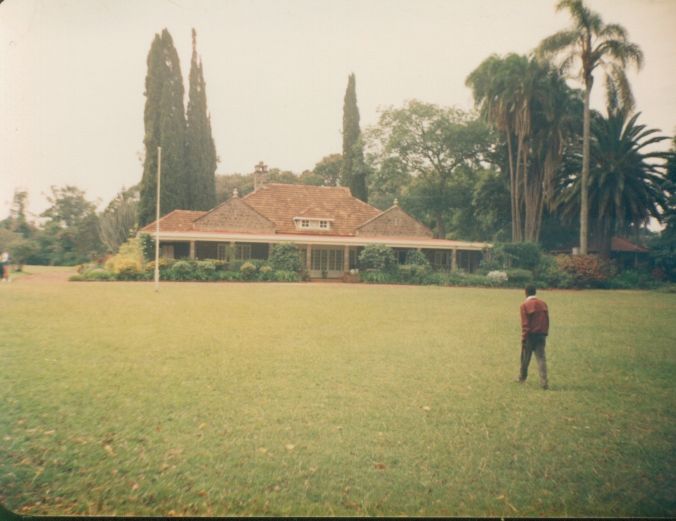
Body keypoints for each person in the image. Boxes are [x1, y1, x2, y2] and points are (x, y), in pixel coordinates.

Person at [517, 284, 549, 389]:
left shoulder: (524, 305)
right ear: (535, 292)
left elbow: (525, 324)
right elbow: (547, 320)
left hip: (530, 335)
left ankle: (522, 378)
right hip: (541, 335)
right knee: (541, 358)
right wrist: (545, 333)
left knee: (525, 358)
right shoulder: (543, 304)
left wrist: (523, 338)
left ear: (525, 292)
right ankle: (544, 382)